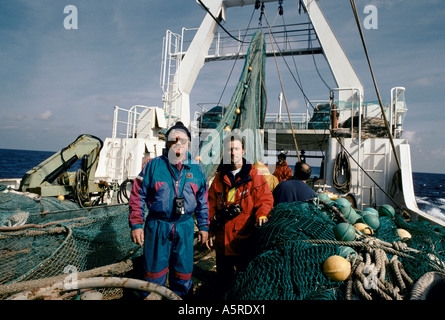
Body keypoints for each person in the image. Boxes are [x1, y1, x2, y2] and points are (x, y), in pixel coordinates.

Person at [128, 121, 209, 298]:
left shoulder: (197, 170)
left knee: (183, 273)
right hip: (158, 227)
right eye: (174, 140)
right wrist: (136, 224)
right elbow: (137, 195)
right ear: (167, 144)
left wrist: (204, 227)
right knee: (153, 275)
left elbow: (203, 201)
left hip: (185, 227)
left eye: (183, 141)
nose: (178, 144)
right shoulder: (153, 166)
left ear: (188, 144)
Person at [206, 133, 274, 295]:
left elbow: (265, 200)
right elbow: (210, 205)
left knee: (246, 285)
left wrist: (262, 215)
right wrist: (208, 228)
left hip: (246, 241)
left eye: (236, 149)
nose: (233, 152)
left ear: (243, 151)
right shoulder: (218, 179)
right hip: (223, 243)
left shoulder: (255, 176)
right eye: (229, 149)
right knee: (223, 284)